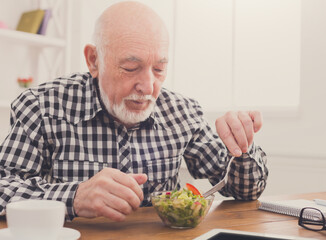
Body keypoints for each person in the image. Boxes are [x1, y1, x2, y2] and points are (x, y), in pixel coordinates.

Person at [0, 1, 268, 222]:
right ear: (94, 60)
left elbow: (244, 190)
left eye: (160, 69)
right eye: (130, 68)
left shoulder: (182, 111)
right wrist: (75, 196)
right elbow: (4, 187)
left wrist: (242, 147)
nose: (148, 87)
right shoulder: (42, 105)